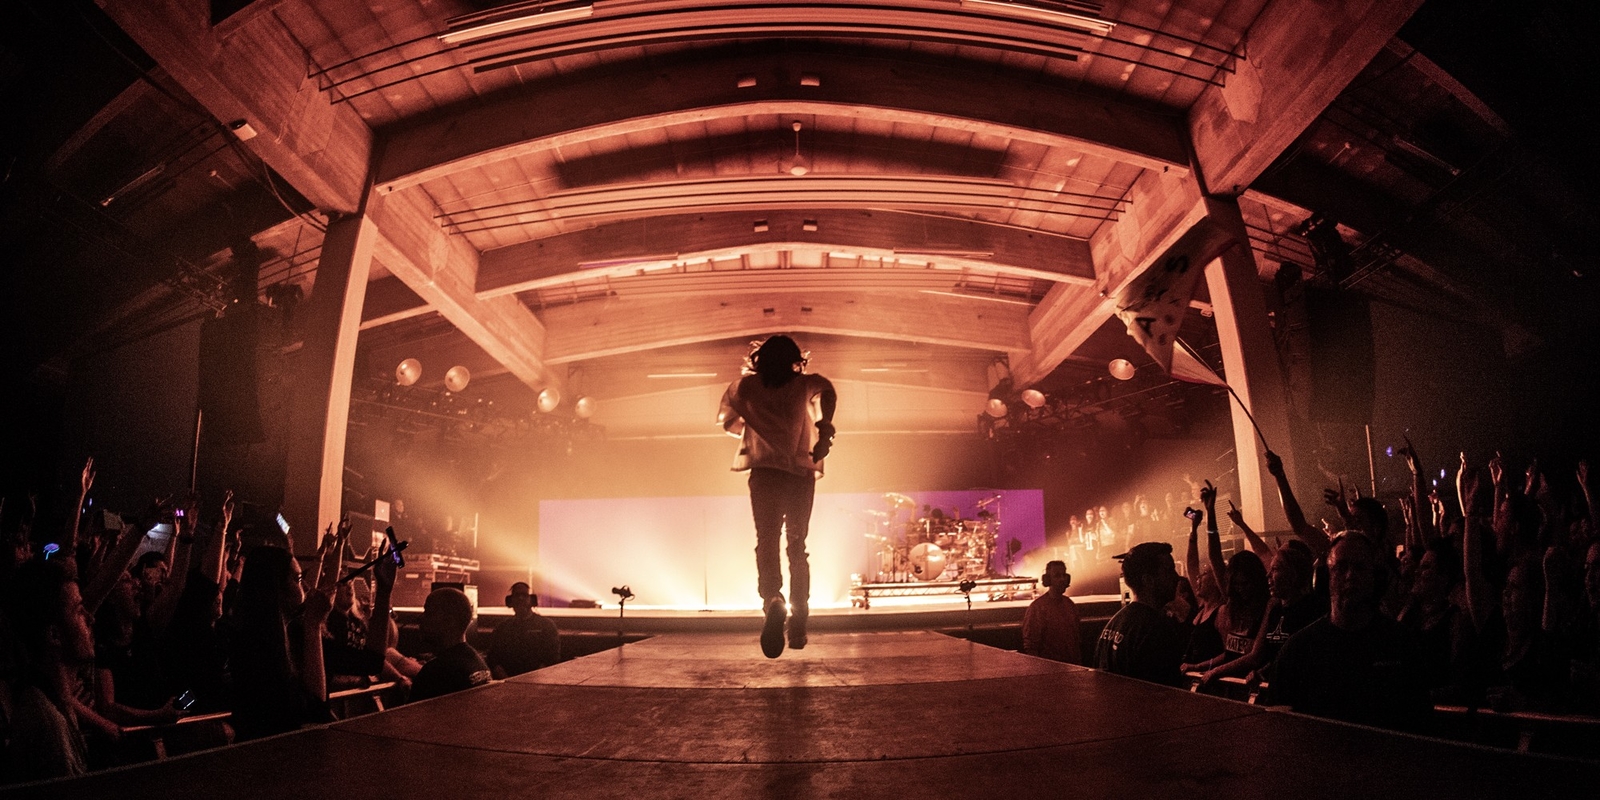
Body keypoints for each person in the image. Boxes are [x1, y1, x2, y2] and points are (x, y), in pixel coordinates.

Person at [718, 335, 837, 658]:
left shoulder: (746, 388)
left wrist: (753, 426)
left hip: (764, 474)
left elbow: (730, 422)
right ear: (795, 360)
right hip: (799, 472)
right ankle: (799, 619)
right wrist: (825, 429)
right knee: (797, 545)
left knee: (766, 539)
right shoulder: (804, 385)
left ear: (760, 359)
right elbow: (827, 390)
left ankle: (772, 599)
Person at [1266, 533, 1429, 731]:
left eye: (1359, 567)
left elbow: (1419, 721)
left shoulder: (1401, 644)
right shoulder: (1297, 650)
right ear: (1326, 577)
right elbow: (1277, 725)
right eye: (1341, 567)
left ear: (1374, 576)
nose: (1350, 575)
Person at [1095, 542, 1187, 687]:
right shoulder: (1156, 629)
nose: (1177, 578)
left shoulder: (1114, 623)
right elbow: (1164, 694)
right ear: (1148, 581)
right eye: (1169, 571)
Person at [409, 588, 491, 702]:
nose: (420, 618)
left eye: (429, 613)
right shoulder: (477, 662)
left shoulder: (436, 673)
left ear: (450, 621)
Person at [485, 582, 560, 679]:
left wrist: (534, 679)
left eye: (524, 595)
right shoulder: (502, 627)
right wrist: (506, 680)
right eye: (517, 595)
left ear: (532, 600)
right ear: (510, 601)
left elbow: (551, 658)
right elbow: (492, 658)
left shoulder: (546, 625)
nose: (520, 598)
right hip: (508, 682)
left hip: (537, 682)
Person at [1021, 561, 1081, 664]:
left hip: (1070, 666)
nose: (1062, 579)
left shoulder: (1070, 605)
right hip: (1049, 668)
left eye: (1064, 575)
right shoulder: (1038, 608)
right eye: (1057, 576)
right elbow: (1031, 645)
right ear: (1048, 580)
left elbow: (1076, 640)